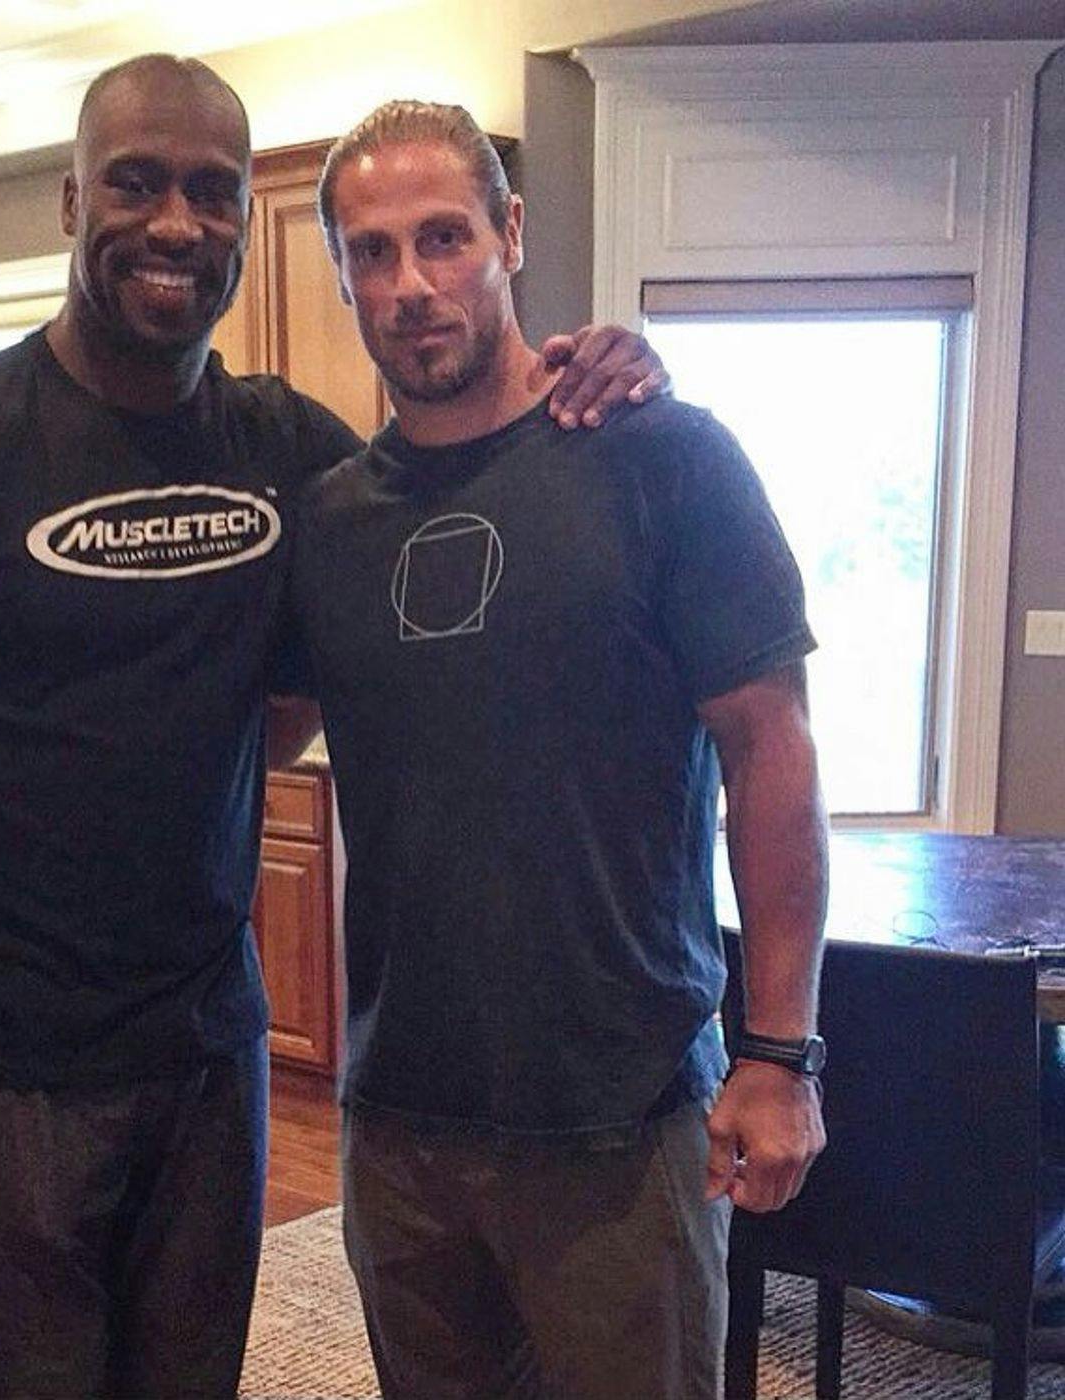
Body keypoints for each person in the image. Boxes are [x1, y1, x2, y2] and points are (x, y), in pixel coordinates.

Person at [0, 55, 667, 1400]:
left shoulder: (289, 452)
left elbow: (443, 507)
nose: (176, 223)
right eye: (136, 184)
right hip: (1, 1072)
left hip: (207, 1050)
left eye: (211, 193)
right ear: (72, 201)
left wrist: (602, 377)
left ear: (247, 226)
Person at [285, 100, 830, 1400]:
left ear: (510, 233)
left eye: (443, 237)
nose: (410, 284)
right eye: (371, 252)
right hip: (400, 1122)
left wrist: (779, 1054)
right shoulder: (330, 524)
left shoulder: (663, 460)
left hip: (622, 1119)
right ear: (341, 276)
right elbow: (243, 736)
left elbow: (771, 751)